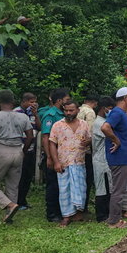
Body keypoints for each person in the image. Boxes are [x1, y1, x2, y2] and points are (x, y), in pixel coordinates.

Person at [0, 90, 33, 223]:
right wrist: (24, 151)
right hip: (17, 151)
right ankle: (9, 217)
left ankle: (9, 205)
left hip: (1, 150)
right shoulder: (23, 117)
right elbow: (30, 136)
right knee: (12, 186)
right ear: (13, 102)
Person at [49, 100, 91, 227]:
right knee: (64, 191)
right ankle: (66, 217)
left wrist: (88, 141)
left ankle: (77, 214)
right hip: (64, 163)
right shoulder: (57, 125)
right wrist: (56, 162)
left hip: (79, 163)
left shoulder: (84, 124)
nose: (68, 113)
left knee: (80, 189)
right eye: (66, 110)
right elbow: (52, 143)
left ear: (77, 110)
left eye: (71, 110)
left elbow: (88, 138)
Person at [101, 87, 127, 229]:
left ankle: (116, 218)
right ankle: (114, 221)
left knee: (119, 189)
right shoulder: (117, 113)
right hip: (119, 157)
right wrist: (117, 141)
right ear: (125, 98)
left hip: (123, 157)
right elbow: (105, 127)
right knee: (118, 190)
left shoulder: (122, 113)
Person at [42, 88, 71, 223]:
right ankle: (52, 213)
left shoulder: (64, 114)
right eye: (66, 99)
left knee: (62, 185)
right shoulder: (51, 115)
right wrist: (49, 157)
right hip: (53, 156)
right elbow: (46, 137)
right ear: (60, 101)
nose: (68, 101)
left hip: (63, 155)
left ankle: (62, 210)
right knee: (53, 185)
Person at [14, 92, 41, 210]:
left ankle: (22, 200)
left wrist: (36, 115)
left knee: (27, 176)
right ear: (24, 102)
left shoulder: (33, 114)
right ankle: (16, 201)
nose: (34, 104)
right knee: (18, 176)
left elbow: (39, 128)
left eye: (35, 102)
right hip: (18, 148)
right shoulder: (16, 113)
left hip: (30, 149)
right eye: (31, 102)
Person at [92, 96, 115, 222]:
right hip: (101, 159)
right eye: (110, 109)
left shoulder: (103, 121)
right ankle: (102, 216)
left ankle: (108, 213)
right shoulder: (99, 123)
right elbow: (111, 134)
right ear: (103, 109)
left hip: (105, 159)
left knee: (108, 187)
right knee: (103, 188)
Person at [77, 94, 98, 214]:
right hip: (87, 151)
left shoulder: (78, 110)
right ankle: (83, 207)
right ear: (95, 104)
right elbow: (90, 134)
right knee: (87, 179)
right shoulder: (90, 113)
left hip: (76, 150)